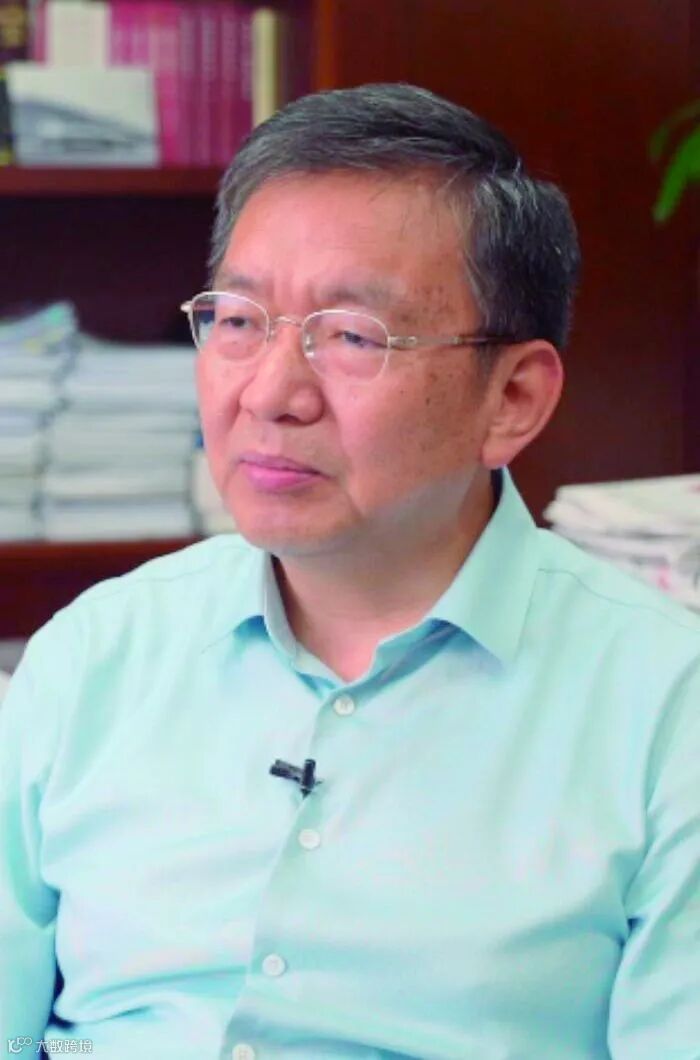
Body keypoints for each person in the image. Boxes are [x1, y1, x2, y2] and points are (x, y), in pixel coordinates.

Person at [1, 83, 698, 1060]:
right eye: (238, 320)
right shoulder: (96, 655)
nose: (271, 393)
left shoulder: (667, 708)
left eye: (353, 336)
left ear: (512, 398)